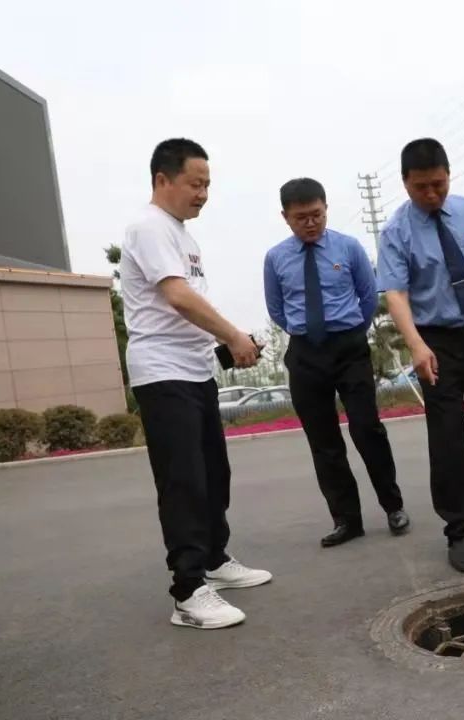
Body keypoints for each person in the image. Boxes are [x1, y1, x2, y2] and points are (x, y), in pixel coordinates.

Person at [121, 138, 272, 630]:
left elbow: (189, 305)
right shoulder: (149, 227)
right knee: (183, 480)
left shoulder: (183, 236)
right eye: (195, 183)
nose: (203, 193)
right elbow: (179, 297)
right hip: (163, 373)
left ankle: (214, 560)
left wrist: (226, 343)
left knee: (212, 473)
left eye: (208, 184)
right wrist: (232, 334)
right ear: (162, 180)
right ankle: (187, 591)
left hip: (194, 368)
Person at [377, 138, 464, 573]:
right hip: (434, 339)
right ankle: (460, 529)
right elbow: (396, 293)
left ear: (449, 174)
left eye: (438, 184)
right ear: (405, 183)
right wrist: (416, 345)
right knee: (448, 435)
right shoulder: (397, 231)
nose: (432, 194)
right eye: (421, 187)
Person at [263, 178, 409, 548]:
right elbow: (277, 309)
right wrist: (309, 334)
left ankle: (393, 506)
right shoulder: (276, 258)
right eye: (301, 218)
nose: (310, 223)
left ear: (326, 208)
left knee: (367, 428)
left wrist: (348, 332)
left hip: (349, 348)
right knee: (324, 442)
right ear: (286, 217)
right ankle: (347, 519)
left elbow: (366, 296)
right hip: (305, 352)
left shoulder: (349, 247)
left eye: (316, 215)